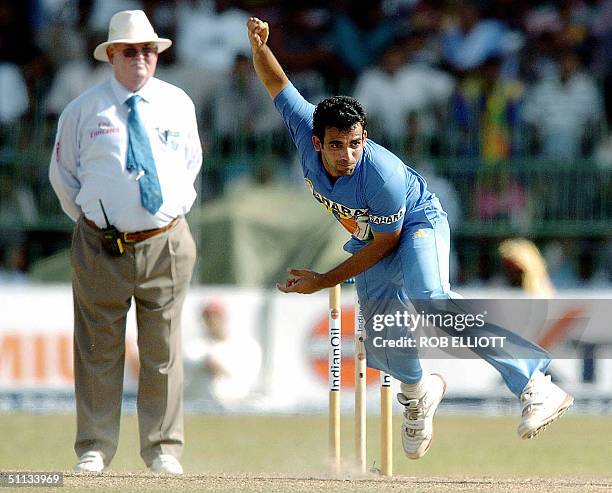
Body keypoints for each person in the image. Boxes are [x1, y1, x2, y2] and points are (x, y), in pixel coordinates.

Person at [246, 17, 573, 460]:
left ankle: (536, 384)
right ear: (317, 140)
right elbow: (277, 82)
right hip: (370, 236)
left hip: (416, 223)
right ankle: (420, 393)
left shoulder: (381, 173)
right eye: (338, 145)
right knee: (383, 335)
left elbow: (386, 243)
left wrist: (324, 280)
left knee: (431, 300)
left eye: (356, 143)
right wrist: (260, 46)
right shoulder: (303, 125)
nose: (348, 155)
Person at [49, 10, 202, 475]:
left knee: (164, 349)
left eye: (149, 50)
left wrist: (168, 213)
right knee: (98, 348)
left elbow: (192, 162)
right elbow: (63, 177)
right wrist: (98, 222)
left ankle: (162, 449)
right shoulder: (84, 110)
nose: (141, 58)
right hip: (101, 243)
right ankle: (93, 447)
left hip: (166, 241)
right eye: (131, 50)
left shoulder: (178, 103)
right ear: (111, 55)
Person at [184, 300, 262, 410]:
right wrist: (205, 363)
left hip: (235, 406)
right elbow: (187, 369)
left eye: (216, 317)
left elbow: (245, 377)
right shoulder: (194, 346)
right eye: (208, 318)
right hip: (200, 406)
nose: (212, 321)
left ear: (224, 319)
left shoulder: (245, 345)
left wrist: (222, 368)